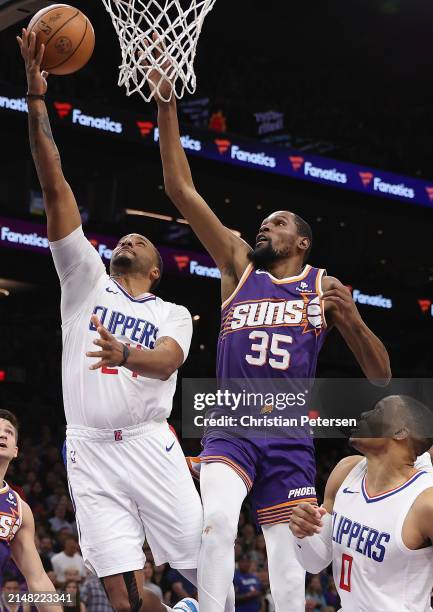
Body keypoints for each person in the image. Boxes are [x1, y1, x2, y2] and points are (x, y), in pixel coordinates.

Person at [148, 35, 391, 612]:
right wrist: (164, 103)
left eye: (277, 223)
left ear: (301, 241)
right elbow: (180, 190)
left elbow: (380, 377)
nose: (265, 227)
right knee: (216, 521)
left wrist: (352, 321)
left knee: (286, 562)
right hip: (231, 422)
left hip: (289, 434)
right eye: (264, 221)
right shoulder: (236, 266)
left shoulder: (323, 287)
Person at [17, 28, 202, 612]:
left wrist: (127, 356)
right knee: (120, 595)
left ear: (155, 270)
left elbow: (170, 360)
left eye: (141, 238)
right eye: (125, 234)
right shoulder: (84, 280)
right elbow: (54, 184)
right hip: (89, 448)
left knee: (204, 556)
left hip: (151, 442)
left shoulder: (173, 311)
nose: (129, 237)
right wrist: (37, 100)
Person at [290, 395, 433, 611]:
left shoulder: (424, 502)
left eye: (378, 410)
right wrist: (303, 533)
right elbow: (314, 562)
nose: (364, 414)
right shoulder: (345, 471)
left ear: (400, 432)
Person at [0, 411, 60, 611]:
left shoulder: (19, 508)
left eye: (8, 432)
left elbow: (39, 580)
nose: (2, 435)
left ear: (15, 450)